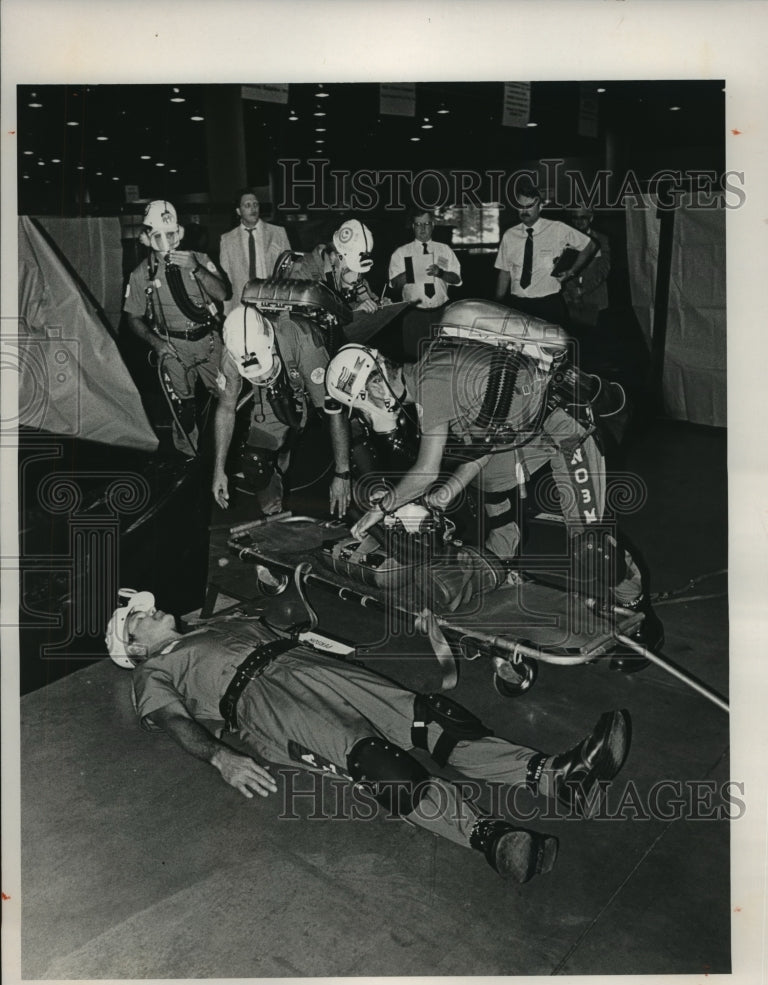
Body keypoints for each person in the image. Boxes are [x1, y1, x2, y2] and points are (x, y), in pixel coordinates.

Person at [105, 588, 633, 886]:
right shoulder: (150, 674)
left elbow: (287, 619)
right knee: (384, 768)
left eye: (144, 607)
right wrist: (220, 757)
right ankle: (490, 839)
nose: (148, 610)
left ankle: (557, 778)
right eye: (138, 619)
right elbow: (174, 722)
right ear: (134, 648)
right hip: (266, 705)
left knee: (434, 720)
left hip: (307, 664)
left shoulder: (215, 622)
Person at [326, 299, 663, 654]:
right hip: (520, 433)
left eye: (365, 402)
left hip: (566, 428)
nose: (371, 410)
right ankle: (494, 584)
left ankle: (641, 613)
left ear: (377, 387)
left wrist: (381, 508)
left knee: (593, 550)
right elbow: (487, 439)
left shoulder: (430, 383)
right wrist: (452, 487)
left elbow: (425, 472)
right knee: (498, 518)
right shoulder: (429, 377)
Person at [212, 296, 352, 518]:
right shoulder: (233, 354)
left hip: (311, 381)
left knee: (354, 428)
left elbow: (334, 408)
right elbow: (226, 409)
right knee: (255, 463)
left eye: (264, 369)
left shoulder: (303, 338)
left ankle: (375, 490)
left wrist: (342, 472)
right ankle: (274, 515)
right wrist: (218, 469)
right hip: (272, 396)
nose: (263, 376)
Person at [123, 199, 228, 456]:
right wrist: (156, 343)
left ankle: (227, 456)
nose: (166, 241)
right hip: (172, 348)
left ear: (179, 233)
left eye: (171, 235)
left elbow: (223, 292)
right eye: (158, 235)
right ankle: (187, 459)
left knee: (229, 399)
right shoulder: (140, 275)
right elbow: (133, 317)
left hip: (208, 342)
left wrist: (197, 269)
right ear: (146, 237)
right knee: (184, 411)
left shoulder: (199, 260)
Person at [494, 178, 597, 326]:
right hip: (518, 305)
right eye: (520, 206)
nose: (524, 211)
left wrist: (572, 271)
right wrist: (497, 303)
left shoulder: (557, 228)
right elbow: (504, 272)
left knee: (553, 347)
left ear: (540, 206)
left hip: (548, 304)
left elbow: (590, 245)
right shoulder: (509, 235)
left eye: (529, 206)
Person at [388, 209, 462, 358]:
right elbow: (394, 285)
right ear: (413, 227)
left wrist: (440, 273)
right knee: (415, 359)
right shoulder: (401, 253)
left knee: (443, 359)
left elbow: (457, 280)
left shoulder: (444, 250)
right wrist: (411, 270)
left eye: (426, 224)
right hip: (414, 316)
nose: (422, 228)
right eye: (418, 224)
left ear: (433, 225)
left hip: (442, 314)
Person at [220, 189, 291, 312]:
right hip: (241, 306)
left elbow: (289, 268)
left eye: (255, 204)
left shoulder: (278, 233)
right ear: (238, 211)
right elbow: (226, 277)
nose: (253, 208)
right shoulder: (227, 240)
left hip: (272, 303)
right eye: (247, 205)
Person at [293, 219, 381, 316]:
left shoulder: (351, 271)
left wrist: (378, 305)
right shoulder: (304, 271)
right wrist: (351, 314)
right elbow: (299, 320)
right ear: (334, 256)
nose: (356, 276)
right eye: (350, 269)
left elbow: (367, 298)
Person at [561, 207, 611, 335]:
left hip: (594, 301)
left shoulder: (602, 239)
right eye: (575, 217)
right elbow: (560, 268)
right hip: (569, 300)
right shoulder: (564, 239)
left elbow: (603, 270)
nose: (579, 222)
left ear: (591, 218)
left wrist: (583, 290)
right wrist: (572, 291)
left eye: (583, 217)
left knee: (594, 344)